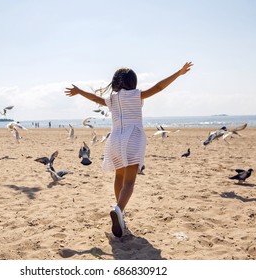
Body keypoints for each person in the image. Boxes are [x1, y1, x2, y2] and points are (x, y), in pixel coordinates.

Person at [65, 62, 193, 237]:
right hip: (132, 137)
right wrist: (178, 73)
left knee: (119, 176)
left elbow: (95, 99)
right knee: (130, 182)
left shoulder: (112, 99)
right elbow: (158, 87)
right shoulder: (136, 95)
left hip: (115, 139)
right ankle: (118, 209)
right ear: (133, 82)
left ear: (116, 83)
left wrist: (79, 91)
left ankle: (120, 213)